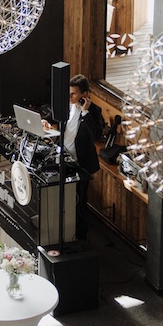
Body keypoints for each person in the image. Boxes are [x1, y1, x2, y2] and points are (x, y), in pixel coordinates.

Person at [64, 74, 105, 243]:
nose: (70, 97)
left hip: (82, 163)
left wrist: (85, 111)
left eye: (73, 94)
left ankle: (81, 237)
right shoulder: (65, 105)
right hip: (64, 157)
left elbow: (96, 134)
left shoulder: (94, 111)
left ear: (84, 94)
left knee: (79, 201)